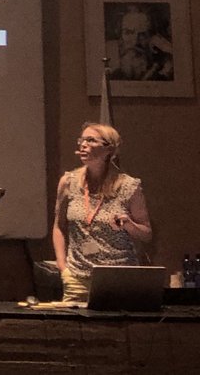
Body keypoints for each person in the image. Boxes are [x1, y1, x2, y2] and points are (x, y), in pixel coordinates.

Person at [52, 122, 152, 303]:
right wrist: (62, 266)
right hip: (77, 277)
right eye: (81, 140)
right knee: (73, 329)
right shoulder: (68, 182)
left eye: (90, 140)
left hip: (119, 278)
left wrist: (128, 224)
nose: (83, 145)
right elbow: (59, 226)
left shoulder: (128, 186)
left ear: (108, 150)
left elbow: (146, 234)